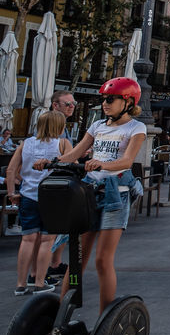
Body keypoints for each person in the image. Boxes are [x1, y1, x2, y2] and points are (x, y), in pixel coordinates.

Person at [35, 76, 147, 312]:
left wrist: (102, 164)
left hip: (116, 196)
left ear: (127, 102)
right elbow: (73, 154)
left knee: (102, 260)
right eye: (104, 99)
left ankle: (104, 320)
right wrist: (51, 162)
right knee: (77, 259)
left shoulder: (136, 128)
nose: (105, 103)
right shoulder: (97, 126)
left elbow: (127, 160)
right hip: (89, 193)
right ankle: (62, 318)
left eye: (111, 99)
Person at [6, 110, 70, 295]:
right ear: (59, 126)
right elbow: (71, 164)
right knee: (47, 240)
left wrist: (12, 193)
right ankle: (40, 283)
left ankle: (20, 283)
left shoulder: (25, 144)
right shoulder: (63, 143)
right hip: (53, 196)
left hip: (28, 194)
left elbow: (11, 170)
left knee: (27, 239)